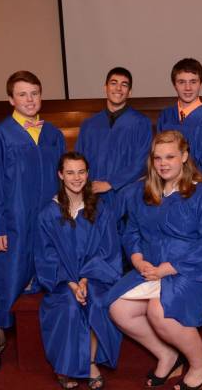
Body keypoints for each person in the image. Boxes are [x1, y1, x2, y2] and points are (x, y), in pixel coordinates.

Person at [0, 70, 66, 372]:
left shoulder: (53, 135)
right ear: (11, 99)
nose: (29, 99)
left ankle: (46, 341)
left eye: (34, 93)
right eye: (22, 94)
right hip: (11, 224)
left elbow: (64, 182)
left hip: (46, 224)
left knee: (45, 277)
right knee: (3, 281)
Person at [108, 130, 202, 390]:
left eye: (170, 156)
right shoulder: (145, 191)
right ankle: (167, 355)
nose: (163, 163)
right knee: (119, 308)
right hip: (152, 267)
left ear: (184, 156)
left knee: (159, 311)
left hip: (195, 270)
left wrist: (169, 269)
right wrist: (137, 259)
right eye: (158, 157)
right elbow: (132, 231)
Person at [35, 152, 122, 389]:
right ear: (60, 175)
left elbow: (108, 250)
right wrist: (72, 283)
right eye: (70, 172)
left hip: (95, 276)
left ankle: (90, 362)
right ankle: (66, 366)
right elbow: (46, 255)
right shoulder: (48, 213)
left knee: (96, 301)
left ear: (88, 174)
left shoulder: (101, 209)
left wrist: (85, 278)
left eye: (81, 172)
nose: (76, 178)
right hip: (61, 280)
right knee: (70, 306)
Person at [75, 67, 152, 214]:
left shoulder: (141, 123)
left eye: (124, 84)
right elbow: (79, 160)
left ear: (130, 92)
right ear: (105, 87)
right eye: (114, 83)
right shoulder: (89, 125)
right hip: (93, 195)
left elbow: (142, 161)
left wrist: (111, 183)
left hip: (125, 195)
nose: (118, 88)